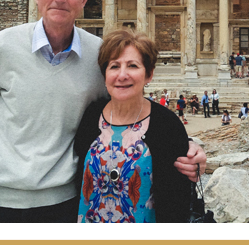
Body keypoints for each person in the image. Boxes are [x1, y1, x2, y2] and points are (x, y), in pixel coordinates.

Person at [0, 0, 206, 223]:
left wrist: (184, 145)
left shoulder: (99, 53)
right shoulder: (0, 45)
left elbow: (127, 110)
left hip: (61, 203)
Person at [75, 28, 192, 222]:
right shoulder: (90, 116)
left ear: (149, 75)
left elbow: (178, 201)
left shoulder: (167, 125)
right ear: (104, 75)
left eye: (132, 66)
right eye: (114, 66)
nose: (122, 75)